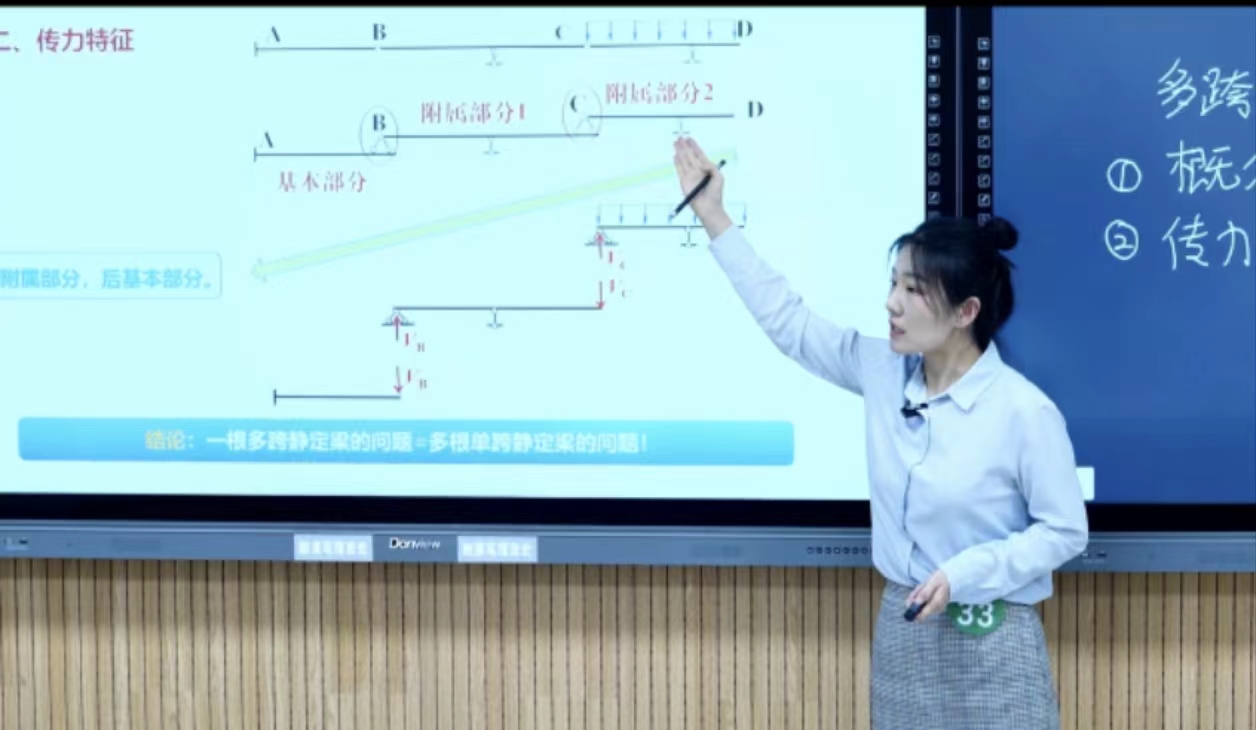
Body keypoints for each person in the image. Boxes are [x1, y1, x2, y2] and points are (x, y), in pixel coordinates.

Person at [672, 136, 1089, 729]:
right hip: (904, 635)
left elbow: (1065, 531)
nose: (892, 303)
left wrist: (964, 574)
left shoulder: (1022, 410)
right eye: (894, 283)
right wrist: (714, 216)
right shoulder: (881, 371)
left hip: (995, 643)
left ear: (966, 312)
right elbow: (789, 322)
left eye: (913, 290)